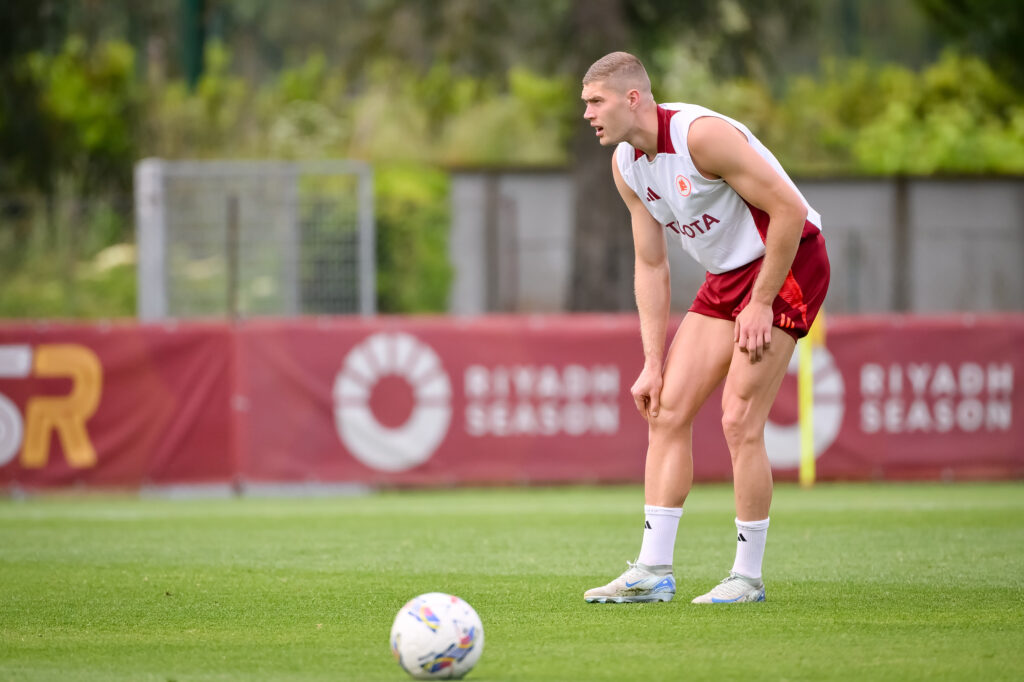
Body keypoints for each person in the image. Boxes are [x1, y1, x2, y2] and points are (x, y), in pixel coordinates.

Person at [580, 51, 829, 604]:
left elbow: (789, 210)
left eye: (596, 101)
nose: (588, 114)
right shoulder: (626, 166)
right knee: (665, 407)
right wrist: (651, 363)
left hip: (785, 263)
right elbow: (651, 265)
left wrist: (762, 302)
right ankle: (652, 573)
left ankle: (747, 578)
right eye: (586, 104)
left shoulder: (701, 136)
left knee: (739, 419)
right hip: (726, 276)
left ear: (633, 98)